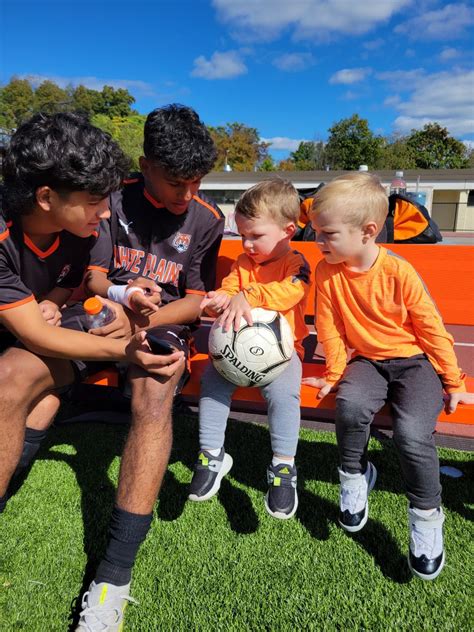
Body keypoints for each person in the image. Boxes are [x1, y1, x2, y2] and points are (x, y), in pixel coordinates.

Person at [72, 104, 224, 630]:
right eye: (176, 181)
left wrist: (151, 315)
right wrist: (124, 295)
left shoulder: (208, 219)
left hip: (163, 322)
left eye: (196, 181)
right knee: (26, 371)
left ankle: (113, 577)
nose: (187, 194)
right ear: (144, 163)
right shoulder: (110, 197)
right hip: (106, 310)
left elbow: (200, 296)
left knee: (156, 392)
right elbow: (91, 278)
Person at [0, 112, 178, 517]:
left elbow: (72, 279)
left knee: (23, 387)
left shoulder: (85, 229)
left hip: (32, 327)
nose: (105, 214)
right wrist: (126, 353)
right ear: (45, 198)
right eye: (95, 203)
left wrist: (55, 298)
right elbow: (38, 336)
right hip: (22, 332)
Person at [303, 172, 474, 580]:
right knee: (350, 403)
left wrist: (454, 382)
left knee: (413, 432)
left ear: (367, 232)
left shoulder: (399, 273)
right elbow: (329, 327)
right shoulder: (328, 272)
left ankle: (427, 516)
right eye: (316, 233)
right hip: (368, 362)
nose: (318, 243)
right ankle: (354, 475)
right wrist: (334, 372)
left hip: (416, 363)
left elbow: (432, 329)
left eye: (327, 234)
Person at [188, 178, 311, 520]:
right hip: (233, 354)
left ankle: (284, 466)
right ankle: (211, 454)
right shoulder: (242, 263)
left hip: (282, 357)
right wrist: (219, 299)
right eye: (241, 235)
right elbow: (229, 289)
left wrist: (252, 294)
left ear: (288, 230)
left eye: (255, 235)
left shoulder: (296, 264)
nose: (247, 243)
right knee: (212, 383)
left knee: (284, 395)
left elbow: (292, 293)